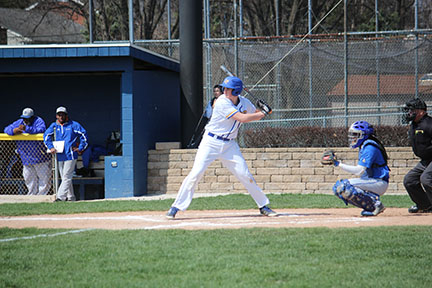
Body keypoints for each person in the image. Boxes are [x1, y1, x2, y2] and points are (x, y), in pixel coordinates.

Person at [166, 76, 277, 219]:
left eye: (228, 89)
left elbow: (253, 113)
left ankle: (263, 206)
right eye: (224, 88)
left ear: (236, 91)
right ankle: (176, 207)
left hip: (230, 145)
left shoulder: (244, 102)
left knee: (245, 174)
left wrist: (263, 110)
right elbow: (242, 118)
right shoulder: (221, 102)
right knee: (196, 173)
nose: (224, 91)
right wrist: (263, 113)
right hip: (211, 142)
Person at [327, 120, 389, 216]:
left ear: (364, 134)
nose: (353, 137)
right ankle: (371, 207)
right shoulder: (364, 145)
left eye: (356, 134)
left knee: (343, 186)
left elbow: (359, 171)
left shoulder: (370, 147)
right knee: (337, 188)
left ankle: (375, 204)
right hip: (371, 180)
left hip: (379, 182)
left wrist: (338, 164)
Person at [44, 106, 88, 202]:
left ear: (66, 115)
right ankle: (71, 197)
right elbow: (46, 136)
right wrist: (50, 147)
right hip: (59, 155)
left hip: (71, 155)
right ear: (56, 116)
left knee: (66, 176)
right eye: (59, 115)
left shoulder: (74, 125)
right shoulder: (54, 126)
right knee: (65, 177)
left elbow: (84, 135)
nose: (61, 117)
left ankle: (60, 197)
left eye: (63, 115)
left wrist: (80, 148)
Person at [4, 108, 52, 195]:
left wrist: (26, 129)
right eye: (24, 118)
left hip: (40, 157)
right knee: (29, 178)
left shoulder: (38, 121)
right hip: (26, 157)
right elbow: (6, 129)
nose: (25, 120)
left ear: (32, 117)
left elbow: (41, 130)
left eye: (28, 118)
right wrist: (13, 131)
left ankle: (42, 196)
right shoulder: (19, 122)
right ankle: (32, 195)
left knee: (44, 178)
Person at [402, 98, 432, 213]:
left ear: (421, 112)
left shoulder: (429, 124)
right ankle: (425, 205)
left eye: (412, 110)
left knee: (426, 179)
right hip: (426, 160)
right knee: (409, 180)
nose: (409, 113)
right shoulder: (414, 125)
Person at [187, 84, 224, 149]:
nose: (216, 93)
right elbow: (208, 113)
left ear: (221, 92)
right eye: (214, 91)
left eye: (217, 91)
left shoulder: (224, 101)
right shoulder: (212, 101)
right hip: (210, 121)